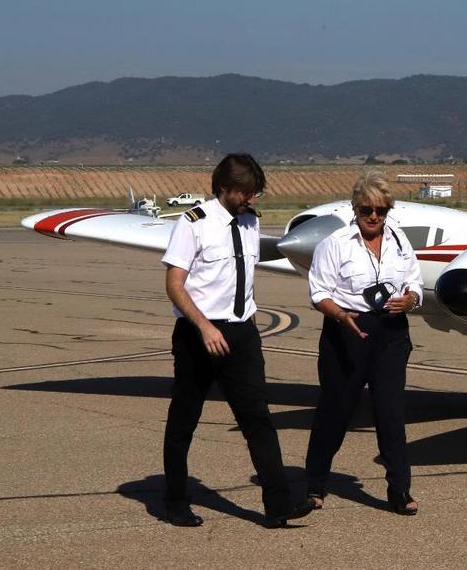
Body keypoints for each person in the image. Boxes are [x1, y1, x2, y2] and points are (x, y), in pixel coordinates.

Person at [160, 153, 316, 528]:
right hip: (199, 334)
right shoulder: (193, 223)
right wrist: (204, 327)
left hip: (242, 334)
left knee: (258, 420)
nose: (253, 199)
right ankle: (175, 500)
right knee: (184, 420)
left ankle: (278, 506)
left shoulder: (249, 223)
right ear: (224, 188)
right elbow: (174, 284)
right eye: (247, 193)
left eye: (255, 193)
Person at [304, 171, 423, 515]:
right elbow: (319, 293)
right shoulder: (336, 244)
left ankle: (399, 489)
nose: (374, 216)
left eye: (381, 210)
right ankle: (314, 483)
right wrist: (341, 316)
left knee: (391, 413)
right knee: (336, 410)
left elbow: (415, 282)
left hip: (391, 332)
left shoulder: (399, 241)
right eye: (366, 209)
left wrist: (410, 299)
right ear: (354, 209)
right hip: (348, 329)